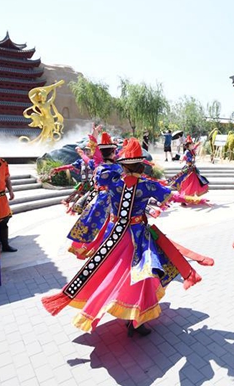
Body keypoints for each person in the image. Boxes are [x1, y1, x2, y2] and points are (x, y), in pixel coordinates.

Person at [42, 138, 212, 335]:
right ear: (140, 165)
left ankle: (116, 307)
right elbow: (172, 196)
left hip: (113, 236)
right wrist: (193, 198)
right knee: (140, 275)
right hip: (137, 236)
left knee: (106, 270)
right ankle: (135, 319)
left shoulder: (114, 183)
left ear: (122, 165)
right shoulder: (147, 185)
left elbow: (99, 174)